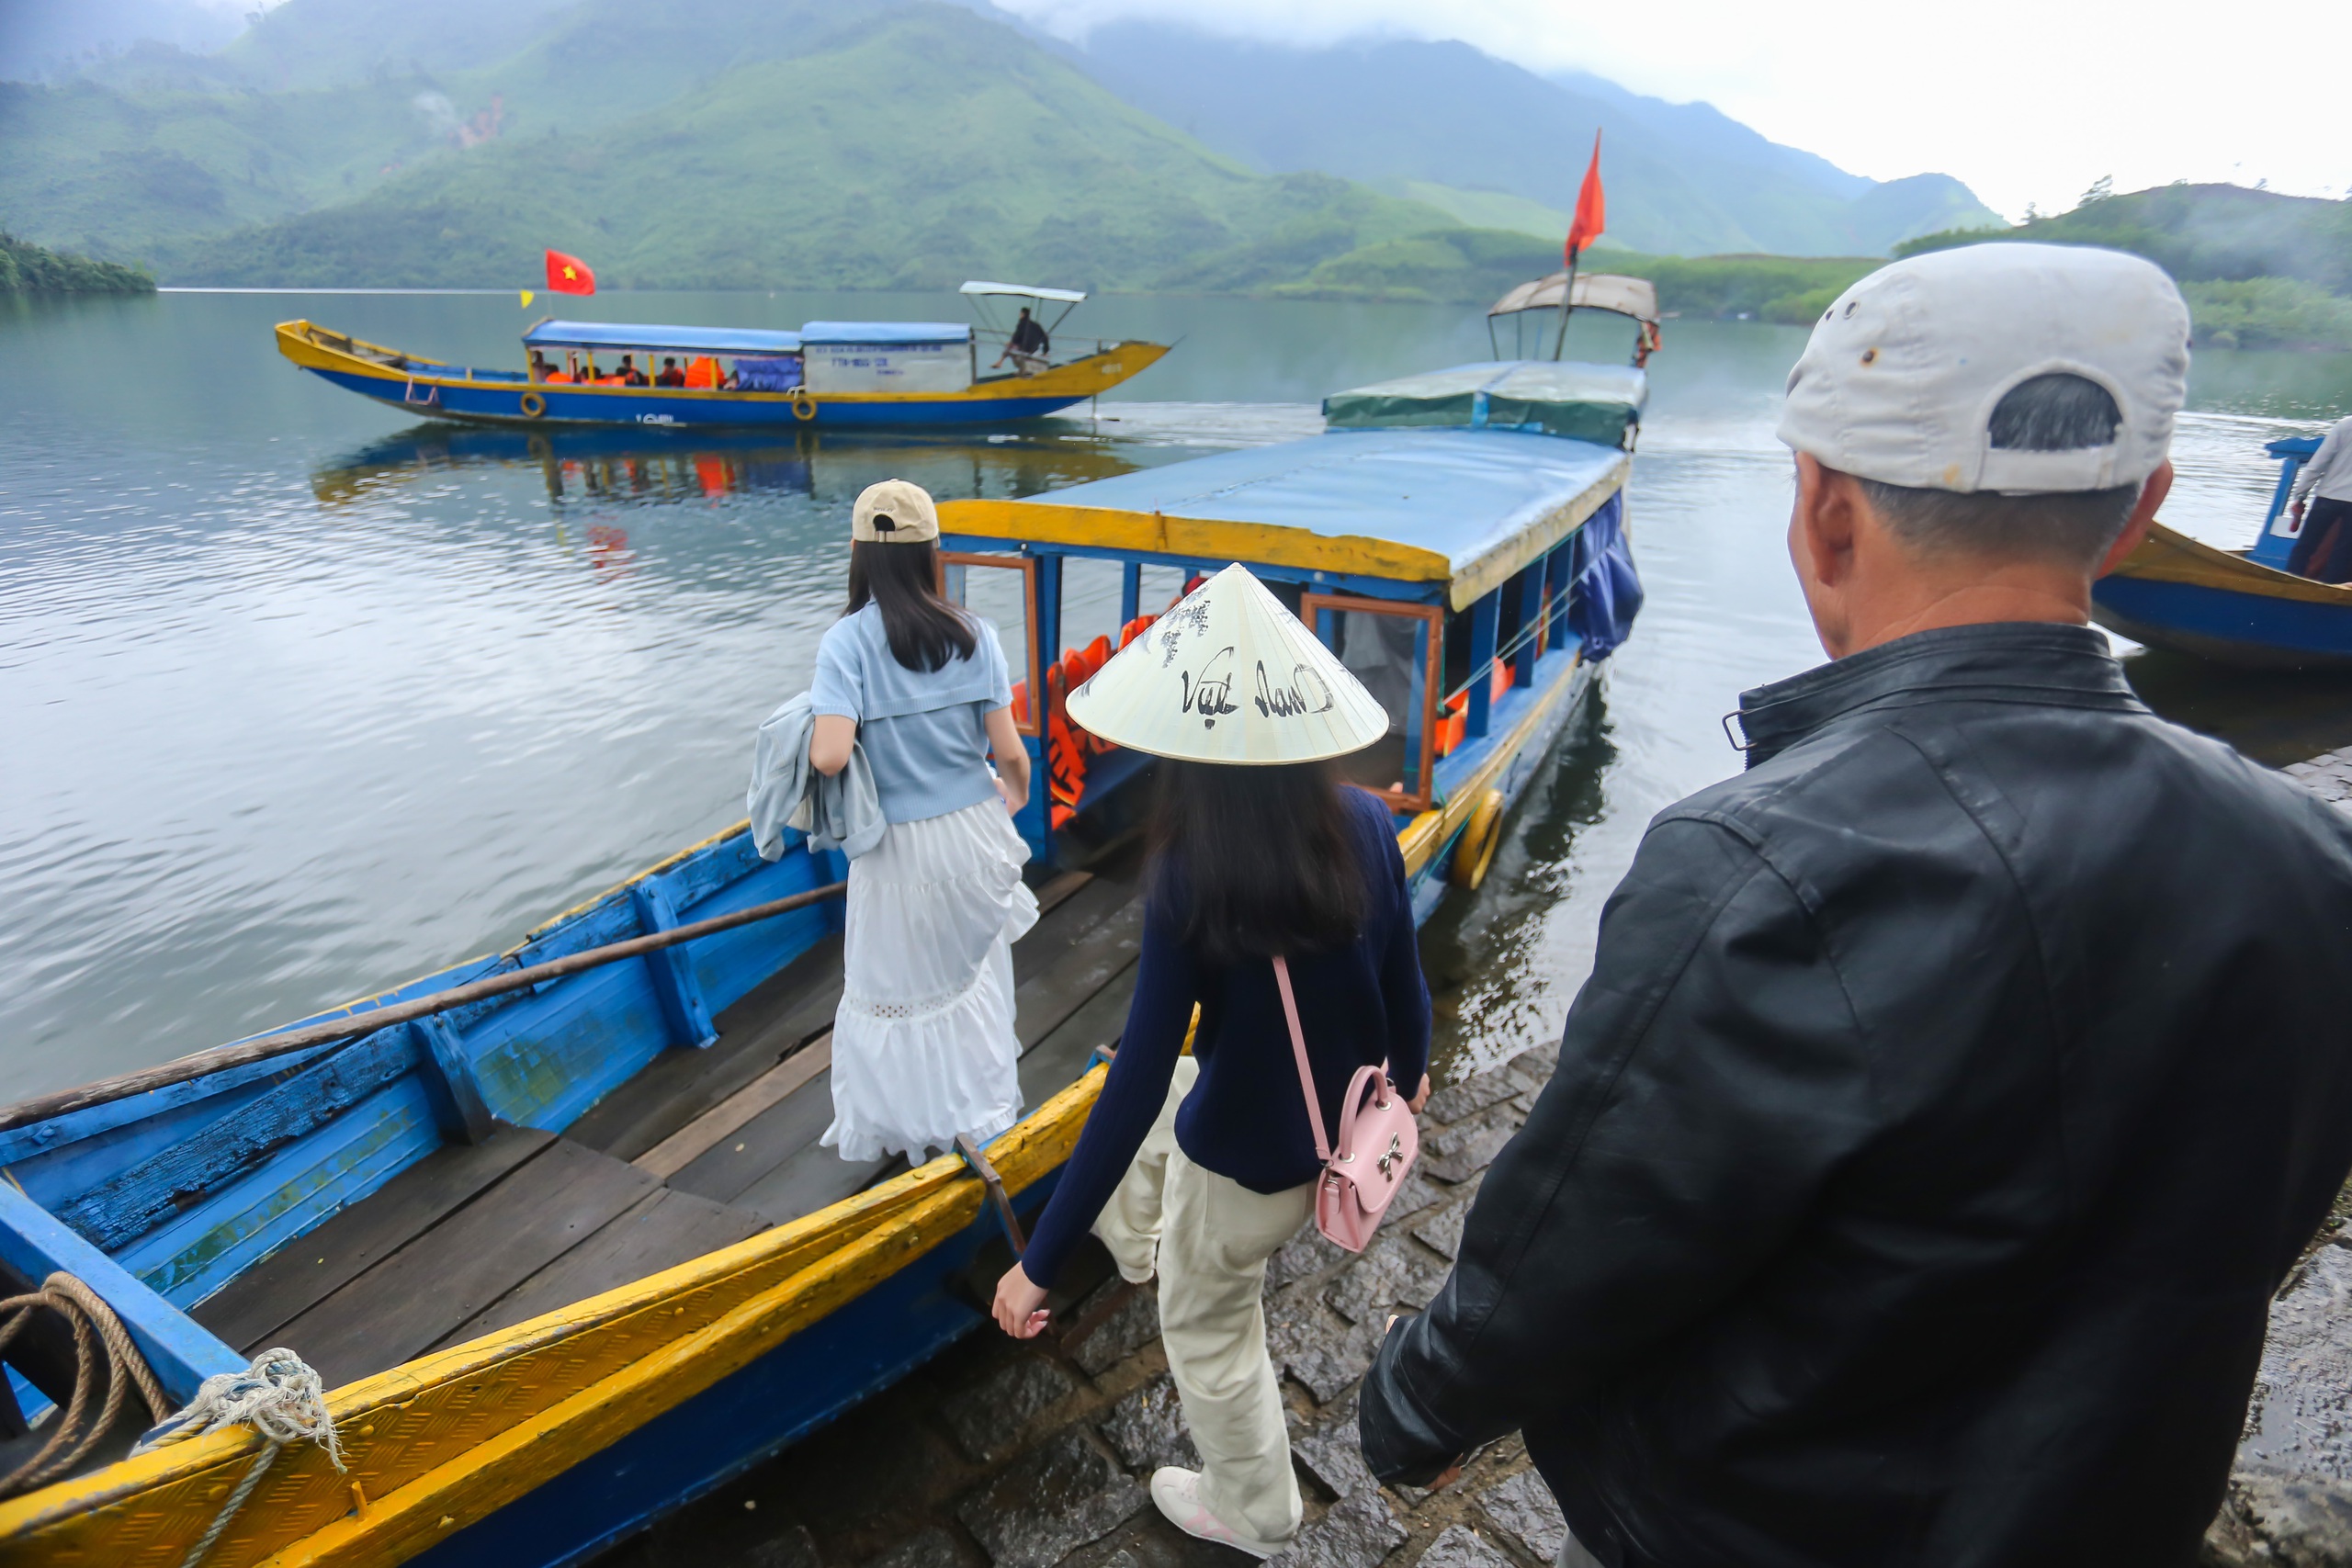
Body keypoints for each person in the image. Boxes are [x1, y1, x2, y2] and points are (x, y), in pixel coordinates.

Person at [1357, 243, 2352, 1568]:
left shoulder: (1764, 860)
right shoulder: (2313, 860)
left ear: (1826, 512)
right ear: (2138, 515)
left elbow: (1590, 1243)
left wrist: (1415, 1404)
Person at [991, 565, 1432, 1561]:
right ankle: (1145, 1240)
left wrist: (1037, 1265)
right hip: (1343, 1129)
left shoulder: (1189, 868)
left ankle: (1255, 1511)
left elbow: (1138, 1074)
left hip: (1251, 1170)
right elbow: (1408, 991)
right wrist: (1407, 1081)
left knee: (1209, 1330)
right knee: (1174, 1100)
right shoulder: (1367, 821)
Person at [808, 480, 1037, 1163]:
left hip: (896, 850)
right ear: (931, 550)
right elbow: (1010, 753)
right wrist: (1013, 797)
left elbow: (829, 756)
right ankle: (983, 1115)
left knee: (897, 993)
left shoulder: (845, 643)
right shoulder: (974, 634)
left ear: (858, 552)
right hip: (972, 832)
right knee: (970, 979)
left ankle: (915, 1127)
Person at [2285, 412, 2352, 581]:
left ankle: (2290, 583)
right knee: (2343, 554)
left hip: (2328, 497)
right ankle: (2332, 591)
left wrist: (2301, 495)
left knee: (2305, 547)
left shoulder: (2345, 425)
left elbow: (2318, 463)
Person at [997, 306, 1050, 376]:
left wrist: (1010, 343)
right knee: (1012, 346)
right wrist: (1045, 351)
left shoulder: (1021, 324)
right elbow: (1045, 338)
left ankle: (1000, 362)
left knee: (1008, 346)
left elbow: (1015, 339)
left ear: (1022, 314)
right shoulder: (1037, 325)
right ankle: (1002, 363)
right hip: (1035, 350)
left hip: (1024, 351)